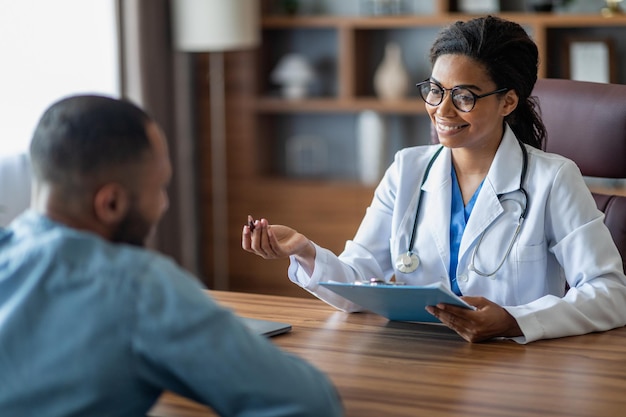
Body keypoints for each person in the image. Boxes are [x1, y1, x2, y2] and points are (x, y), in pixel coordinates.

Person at [242, 16, 626, 344]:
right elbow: (360, 281)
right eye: (435, 90)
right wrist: (304, 250)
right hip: (420, 356)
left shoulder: (553, 179)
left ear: (508, 102)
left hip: (514, 364)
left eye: (464, 97)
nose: (441, 109)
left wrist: (514, 320)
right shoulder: (406, 170)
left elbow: (610, 294)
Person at [0, 95, 344, 417]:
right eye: (159, 187)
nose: (164, 204)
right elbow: (314, 403)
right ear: (112, 204)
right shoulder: (138, 287)